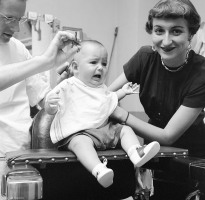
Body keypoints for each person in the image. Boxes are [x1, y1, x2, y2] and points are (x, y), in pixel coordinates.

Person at [109, 0, 205, 199]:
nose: (166, 41)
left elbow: (169, 135)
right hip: (155, 150)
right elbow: (106, 95)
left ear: (191, 35)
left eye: (176, 31)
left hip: (192, 156)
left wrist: (121, 114)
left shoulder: (201, 72)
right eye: (159, 31)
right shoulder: (145, 57)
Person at [44, 40, 160, 188]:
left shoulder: (101, 88)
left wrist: (123, 92)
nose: (100, 67)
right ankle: (98, 169)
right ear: (75, 67)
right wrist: (50, 104)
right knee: (81, 143)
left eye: (104, 64)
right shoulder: (69, 85)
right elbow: (50, 108)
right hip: (78, 133)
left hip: (103, 131)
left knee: (125, 130)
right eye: (93, 62)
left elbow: (109, 99)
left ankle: (136, 153)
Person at [0, 0, 80, 158]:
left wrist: (62, 86)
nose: (16, 28)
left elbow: (43, 99)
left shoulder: (19, 50)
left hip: (19, 152)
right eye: (9, 18)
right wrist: (44, 61)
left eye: (19, 19)